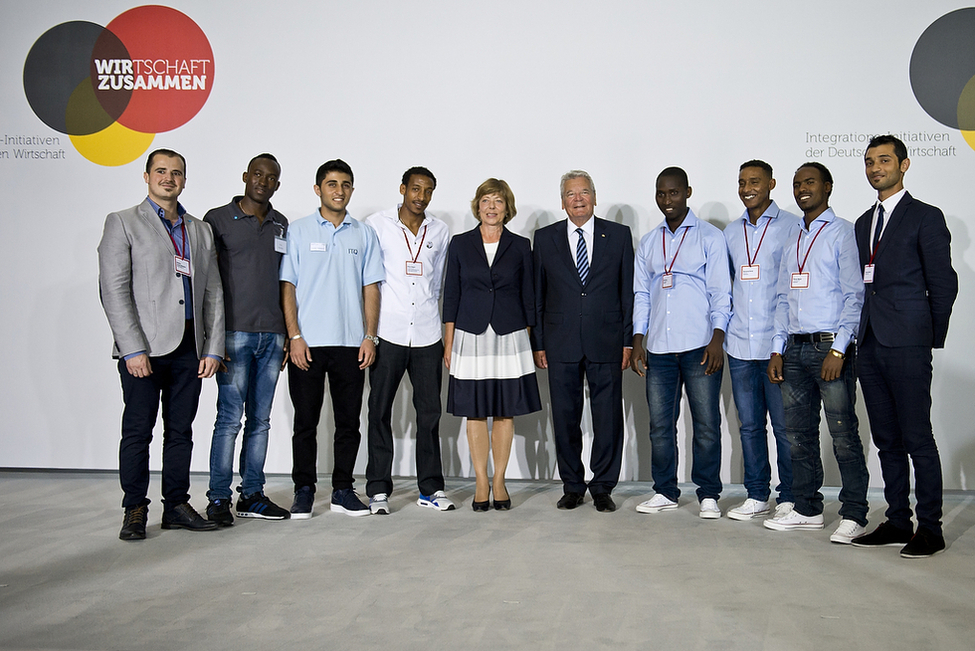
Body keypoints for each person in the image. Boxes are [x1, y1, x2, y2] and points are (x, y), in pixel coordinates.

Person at [97, 148, 224, 540]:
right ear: (147, 175)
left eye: (177, 173)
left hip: (190, 347)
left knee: (181, 431)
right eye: (162, 171)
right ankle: (134, 507)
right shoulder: (123, 223)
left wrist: (214, 347)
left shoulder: (199, 229)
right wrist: (131, 348)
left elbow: (214, 292)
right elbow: (113, 290)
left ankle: (176, 505)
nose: (169, 178)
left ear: (184, 180)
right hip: (145, 350)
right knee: (138, 432)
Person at [851, 135, 958, 558]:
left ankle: (930, 528)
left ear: (904, 164)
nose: (876, 168)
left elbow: (943, 283)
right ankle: (898, 521)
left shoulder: (925, 217)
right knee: (886, 440)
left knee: (917, 437)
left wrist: (927, 338)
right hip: (871, 342)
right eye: (869, 162)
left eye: (884, 160)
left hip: (908, 343)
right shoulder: (863, 222)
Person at [764, 162, 869, 544]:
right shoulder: (792, 238)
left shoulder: (842, 233)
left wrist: (839, 350)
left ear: (828, 187)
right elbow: (781, 298)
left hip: (829, 348)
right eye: (796, 184)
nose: (802, 189)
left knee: (842, 434)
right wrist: (777, 349)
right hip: (793, 347)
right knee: (799, 436)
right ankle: (807, 509)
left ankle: (855, 513)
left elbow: (854, 296)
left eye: (810, 182)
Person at [280, 159, 384, 518]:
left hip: (351, 344)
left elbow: (371, 287)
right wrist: (294, 335)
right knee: (305, 422)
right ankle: (304, 489)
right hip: (307, 343)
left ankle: (342, 488)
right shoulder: (298, 231)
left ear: (352, 190)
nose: (339, 190)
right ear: (317, 189)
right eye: (331, 184)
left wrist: (370, 336)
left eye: (345, 184)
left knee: (348, 423)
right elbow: (288, 286)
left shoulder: (363, 233)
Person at [631, 167, 732, 519]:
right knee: (660, 426)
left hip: (700, 345)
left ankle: (708, 494)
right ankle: (665, 491)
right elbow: (642, 294)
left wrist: (718, 338)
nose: (667, 200)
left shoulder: (709, 236)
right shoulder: (648, 241)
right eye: (661, 193)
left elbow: (722, 292)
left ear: (687, 192)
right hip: (658, 348)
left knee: (706, 423)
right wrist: (638, 337)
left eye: (673, 193)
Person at [531, 170, 634, 512]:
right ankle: (573, 485)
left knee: (607, 417)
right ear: (562, 202)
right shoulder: (544, 238)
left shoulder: (618, 235)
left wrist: (627, 341)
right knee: (564, 417)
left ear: (594, 196)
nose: (578, 198)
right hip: (560, 342)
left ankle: (603, 486)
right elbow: (538, 295)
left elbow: (626, 293)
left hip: (606, 339)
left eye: (584, 192)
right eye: (571, 194)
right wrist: (540, 342)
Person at [442, 178, 541, 511]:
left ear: (507, 207)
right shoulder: (459, 244)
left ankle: (499, 481)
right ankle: (480, 481)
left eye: (498, 201)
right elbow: (451, 295)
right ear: (477, 205)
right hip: (470, 335)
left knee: (503, 409)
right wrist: (448, 340)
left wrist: (531, 338)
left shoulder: (520, 245)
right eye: (486, 200)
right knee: (474, 411)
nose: (491, 207)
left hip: (510, 335)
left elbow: (529, 295)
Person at [203, 153, 290, 526]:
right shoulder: (217, 220)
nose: (263, 181)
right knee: (228, 420)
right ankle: (219, 498)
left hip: (272, 336)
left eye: (271, 177)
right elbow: (207, 282)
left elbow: (286, 281)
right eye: (257, 174)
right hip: (233, 334)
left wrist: (287, 333)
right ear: (245, 176)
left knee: (261, 420)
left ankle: (252, 494)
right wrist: (212, 338)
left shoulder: (281, 224)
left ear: (277, 184)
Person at [364, 167, 454, 515]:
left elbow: (441, 283)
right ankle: (378, 490)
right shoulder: (377, 224)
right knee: (379, 411)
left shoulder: (441, 230)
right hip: (389, 332)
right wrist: (368, 334)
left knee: (430, 413)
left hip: (428, 334)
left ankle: (430, 488)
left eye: (428, 191)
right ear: (402, 189)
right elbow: (369, 282)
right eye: (415, 189)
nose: (421, 196)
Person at [723, 160, 799, 521]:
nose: (747, 187)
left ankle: (789, 496)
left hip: (775, 347)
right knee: (750, 426)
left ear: (771, 183)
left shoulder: (791, 227)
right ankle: (757, 495)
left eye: (754, 181)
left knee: (784, 428)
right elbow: (725, 288)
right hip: (739, 345)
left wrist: (778, 346)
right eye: (741, 182)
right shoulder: (730, 232)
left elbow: (790, 291)